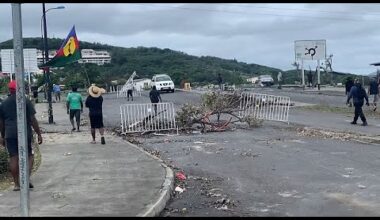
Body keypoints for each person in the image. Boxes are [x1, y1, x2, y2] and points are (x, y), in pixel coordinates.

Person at [0, 81, 43, 191]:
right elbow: (33, 119)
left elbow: (1, 123)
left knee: (13, 157)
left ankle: (16, 184)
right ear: (20, 89)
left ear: (10, 90)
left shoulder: (4, 104)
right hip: (24, 132)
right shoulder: (25, 101)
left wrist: (3, 136)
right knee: (30, 156)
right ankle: (26, 179)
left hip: (10, 133)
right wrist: (38, 133)